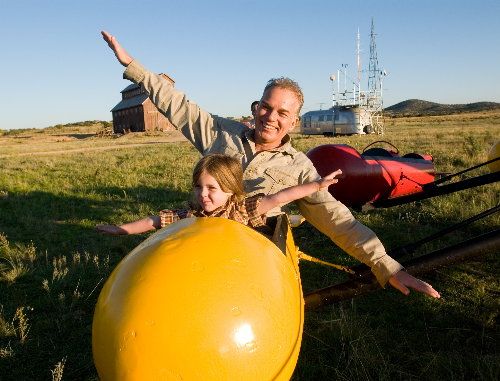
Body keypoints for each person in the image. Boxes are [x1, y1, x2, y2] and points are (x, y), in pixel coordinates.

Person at [101, 31, 440, 299]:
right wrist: (132, 64)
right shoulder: (221, 133)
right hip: (205, 237)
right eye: (266, 106)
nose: (270, 117)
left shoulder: (301, 170)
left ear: (293, 122)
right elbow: (176, 103)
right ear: (256, 107)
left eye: (282, 113)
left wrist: (387, 266)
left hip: (257, 252)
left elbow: (340, 222)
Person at [96, 154, 342, 235]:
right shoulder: (192, 215)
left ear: (230, 189)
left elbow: (281, 197)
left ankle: (294, 221)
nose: (203, 195)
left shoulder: (244, 209)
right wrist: (122, 229)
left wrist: (317, 185)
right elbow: (156, 221)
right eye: (198, 187)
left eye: (212, 188)